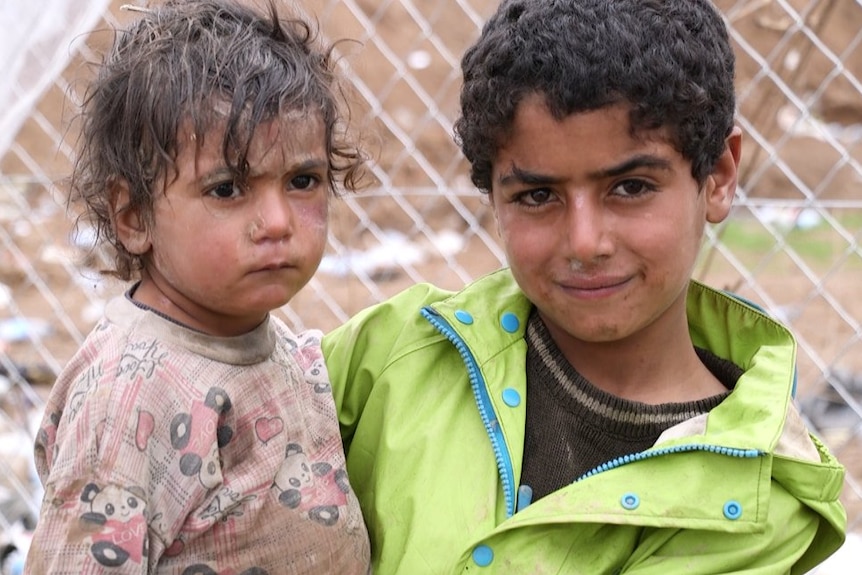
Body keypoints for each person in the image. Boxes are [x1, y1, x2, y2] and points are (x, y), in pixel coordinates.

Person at [322, 0, 847, 573]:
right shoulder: (395, 356)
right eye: (537, 196)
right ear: (493, 199)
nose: (584, 241)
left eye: (630, 187)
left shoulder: (754, 504)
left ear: (717, 176)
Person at [25, 1, 371, 573]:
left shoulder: (267, 340)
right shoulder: (129, 402)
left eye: (302, 181)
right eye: (228, 189)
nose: (279, 222)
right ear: (134, 216)